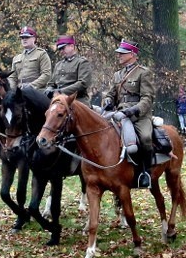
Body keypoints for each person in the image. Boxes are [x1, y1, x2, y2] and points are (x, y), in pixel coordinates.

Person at [102, 39, 154, 188]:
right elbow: (110, 94)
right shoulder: (118, 74)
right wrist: (107, 101)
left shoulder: (143, 73)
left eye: (122, 53)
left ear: (132, 54)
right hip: (119, 113)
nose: (119, 56)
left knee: (145, 138)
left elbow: (147, 97)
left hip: (138, 115)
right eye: (119, 53)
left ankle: (145, 173)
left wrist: (135, 109)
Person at [31, 34, 92, 106]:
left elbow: (83, 84)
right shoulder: (58, 65)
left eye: (63, 48)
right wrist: (49, 89)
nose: (61, 51)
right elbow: (51, 83)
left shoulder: (82, 62)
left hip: (77, 100)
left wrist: (61, 91)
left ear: (72, 46)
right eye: (60, 49)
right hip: (59, 100)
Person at [8, 26, 51, 92]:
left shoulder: (41, 54)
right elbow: (12, 77)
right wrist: (13, 90)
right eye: (22, 38)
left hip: (37, 91)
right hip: (20, 91)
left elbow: (46, 75)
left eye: (27, 37)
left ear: (34, 38)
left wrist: (31, 86)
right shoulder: (16, 58)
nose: (24, 39)